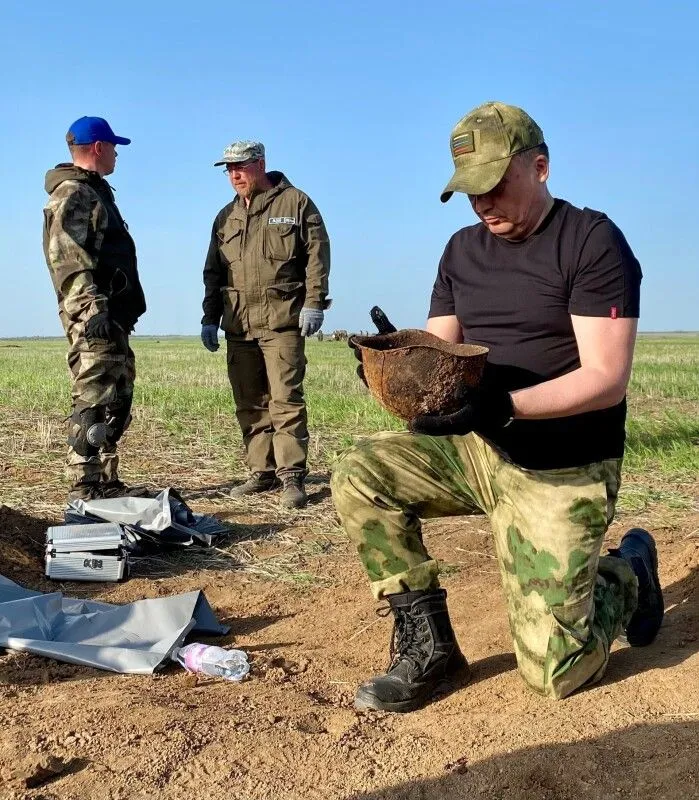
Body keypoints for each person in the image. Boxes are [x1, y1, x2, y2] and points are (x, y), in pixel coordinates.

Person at [331, 101, 664, 712]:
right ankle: (429, 645)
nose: (482, 203)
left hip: (564, 466)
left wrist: (503, 407)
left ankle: (626, 577)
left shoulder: (592, 241)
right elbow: (443, 355)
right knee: (361, 473)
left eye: (494, 184)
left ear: (539, 167)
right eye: (469, 191)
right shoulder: (461, 250)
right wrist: (395, 367)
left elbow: (606, 378)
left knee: (554, 675)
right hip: (480, 451)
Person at [201, 141, 331, 509]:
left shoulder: (296, 204)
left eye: (240, 166)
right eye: (228, 169)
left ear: (260, 163)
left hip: (282, 321)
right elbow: (214, 271)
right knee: (250, 402)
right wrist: (210, 317)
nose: (234, 175)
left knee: (285, 400)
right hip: (239, 323)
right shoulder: (225, 217)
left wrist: (314, 303)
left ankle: (291, 477)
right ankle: (261, 472)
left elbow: (317, 258)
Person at [43, 116, 147, 502]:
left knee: (118, 395)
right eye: (114, 147)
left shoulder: (97, 192)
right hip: (94, 317)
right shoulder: (73, 193)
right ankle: (85, 486)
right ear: (99, 148)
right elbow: (67, 259)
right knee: (93, 393)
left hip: (112, 316)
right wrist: (93, 311)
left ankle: (105, 478)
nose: (117, 154)